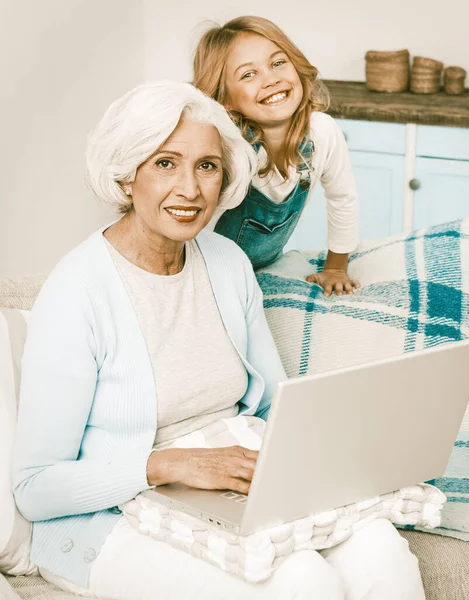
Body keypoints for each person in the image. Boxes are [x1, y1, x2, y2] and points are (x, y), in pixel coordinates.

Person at [12, 81, 425, 600]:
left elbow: (277, 405)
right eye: (165, 163)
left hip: (229, 488)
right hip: (111, 519)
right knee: (300, 581)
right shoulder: (76, 293)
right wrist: (171, 465)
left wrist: (335, 452)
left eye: (206, 166)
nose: (190, 188)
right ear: (126, 173)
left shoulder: (227, 263)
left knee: (379, 548)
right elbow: (34, 488)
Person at [194, 16, 360, 297]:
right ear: (224, 99)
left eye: (277, 63)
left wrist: (336, 267)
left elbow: (342, 199)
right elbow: (198, 224)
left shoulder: (322, 132)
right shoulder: (228, 148)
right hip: (207, 270)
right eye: (248, 74)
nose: (271, 79)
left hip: (266, 266)